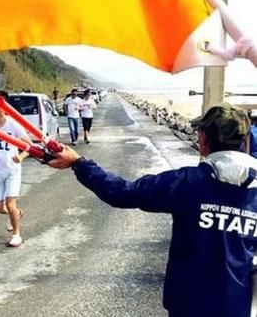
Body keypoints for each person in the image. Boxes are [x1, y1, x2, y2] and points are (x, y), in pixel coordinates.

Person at [48, 102, 257, 317]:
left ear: (203, 138)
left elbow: (122, 192)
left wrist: (80, 163)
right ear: (245, 140)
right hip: (236, 306)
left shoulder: (187, 183)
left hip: (188, 305)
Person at [0, 90, 31, 247]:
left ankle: (16, 235)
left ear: (6, 106)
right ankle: (17, 213)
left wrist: (21, 157)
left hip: (12, 170)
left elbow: (29, 146)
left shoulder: (13, 124)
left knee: (10, 204)